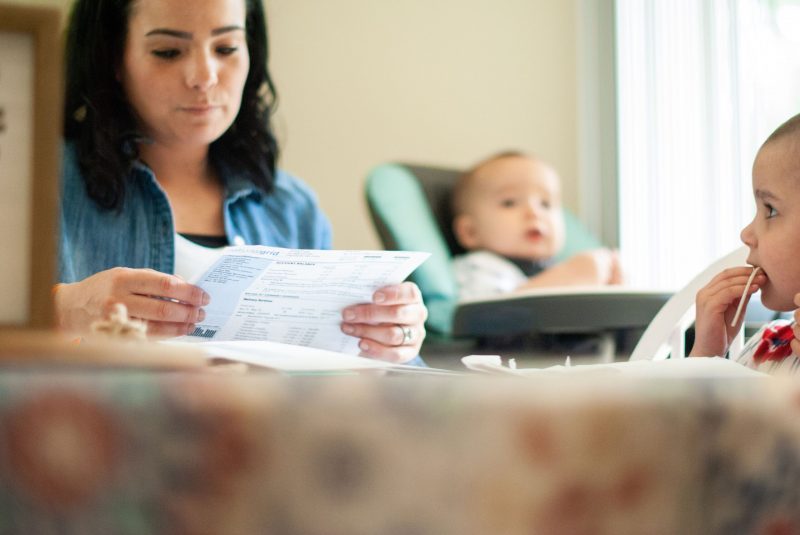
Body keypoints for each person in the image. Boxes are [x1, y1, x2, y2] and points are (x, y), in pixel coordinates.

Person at [54, 0, 427, 364]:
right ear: (113, 58)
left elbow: (338, 375)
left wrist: (393, 340)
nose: (204, 76)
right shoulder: (41, 179)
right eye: (168, 51)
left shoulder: (291, 206)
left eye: (227, 47)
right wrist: (65, 309)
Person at [689, 113, 800, 373]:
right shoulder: (767, 346)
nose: (746, 234)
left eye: (770, 210)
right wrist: (705, 356)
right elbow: (688, 416)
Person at [450, 151, 622, 300]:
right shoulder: (479, 267)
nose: (534, 212)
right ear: (470, 232)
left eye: (545, 204)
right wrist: (569, 279)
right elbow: (487, 317)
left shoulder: (559, 266)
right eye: (509, 203)